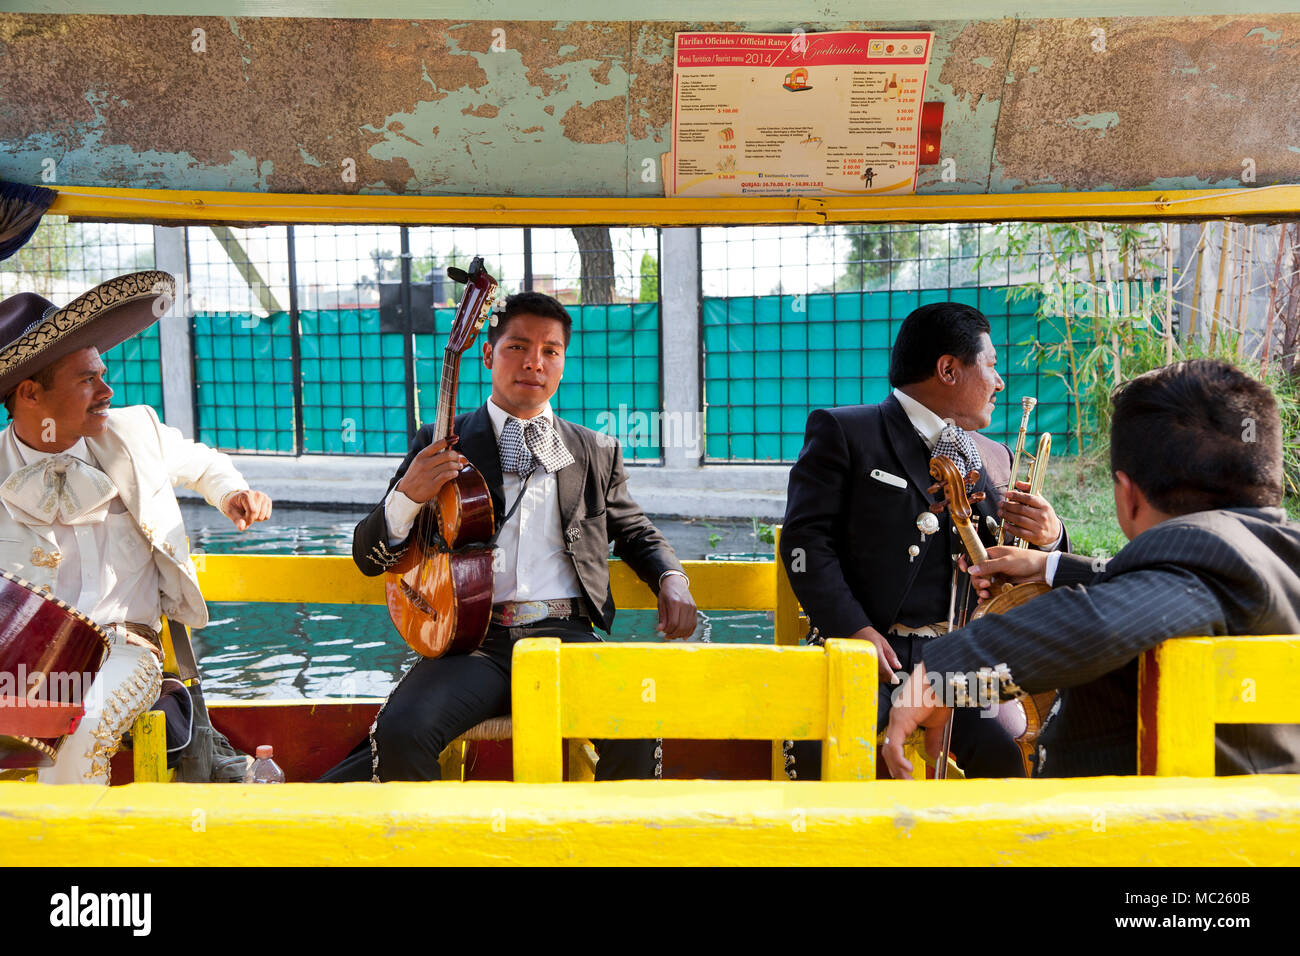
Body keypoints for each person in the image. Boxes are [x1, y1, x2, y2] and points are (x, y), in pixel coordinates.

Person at [323, 290, 697, 782]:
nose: (534, 363)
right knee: (401, 731)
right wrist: (410, 494)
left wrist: (671, 576)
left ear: (563, 363)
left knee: (635, 727)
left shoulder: (595, 449)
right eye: (517, 347)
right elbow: (368, 557)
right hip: (471, 643)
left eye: (550, 351)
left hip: (566, 636)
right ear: (487, 355)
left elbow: (632, 529)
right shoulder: (438, 440)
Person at [882, 358, 1300, 778]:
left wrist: (938, 677)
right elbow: (1156, 584)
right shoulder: (1274, 552)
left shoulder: (1202, 555)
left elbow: (1108, 620)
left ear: (1127, 494)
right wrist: (1052, 566)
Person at [0, 271, 273, 783]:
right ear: (31, 393)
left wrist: (233, 492)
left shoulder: (135, 431)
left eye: (101, 373)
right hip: (22, 659)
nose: (107, 390)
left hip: (124, 647)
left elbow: (200, 462)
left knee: (82, 725)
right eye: (87, 380)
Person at [779, 301, 1069, 778]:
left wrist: (1051, 537)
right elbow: (807, 543)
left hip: (958, 662)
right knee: (817, 745)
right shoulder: (847, 431)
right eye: (992, 365)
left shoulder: (995, 456)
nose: (1000, 383)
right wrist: (854, 630)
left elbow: (1017, 564)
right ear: (948, 369)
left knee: (1006, 758)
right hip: (865, 649)